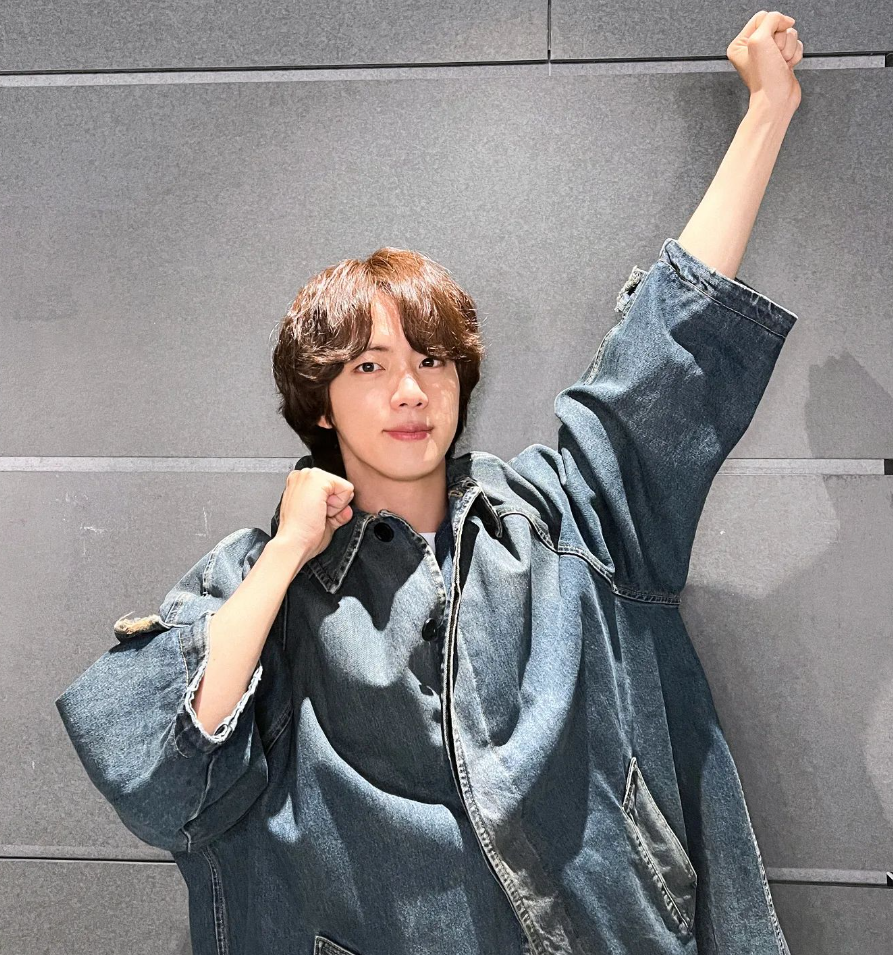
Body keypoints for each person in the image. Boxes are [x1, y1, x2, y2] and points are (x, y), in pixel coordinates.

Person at [55, 11, 804, 955]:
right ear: (321, 402)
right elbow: (168, 777)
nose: (410, 390)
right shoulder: (261, 585)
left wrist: (767, 113)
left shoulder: (563, 514)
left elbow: (663, 352)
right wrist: (287, 552)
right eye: (369, 366)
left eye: (432, 359)